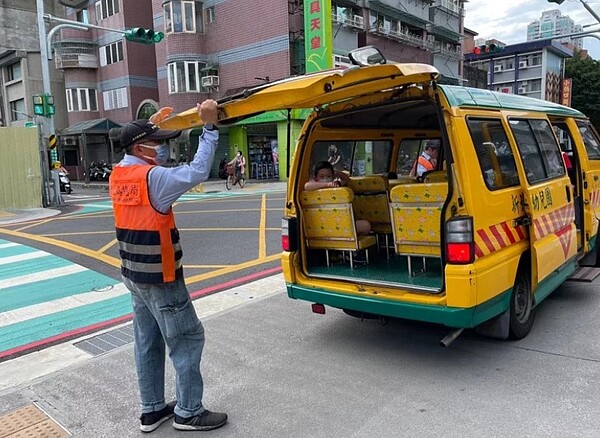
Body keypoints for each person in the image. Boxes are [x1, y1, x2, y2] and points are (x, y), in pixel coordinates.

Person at [109, 100, 227, 433]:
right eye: (158, 141)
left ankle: (152, 410)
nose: (162, 147)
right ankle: (189, 412)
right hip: (161, 278)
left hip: (134, 276)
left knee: (147, 341)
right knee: (187, 338)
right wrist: (209, 127)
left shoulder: (120, 174)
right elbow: (198, 171)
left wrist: (150, 122)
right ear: (140, 147)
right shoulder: (154, 177)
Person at [304, 160, 371, 236]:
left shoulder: (337, 185)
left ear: (333, 176)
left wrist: (335, 172)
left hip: (342, 224)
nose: (325, 178)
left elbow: (346, 179)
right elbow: (307, 186)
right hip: (325, 226)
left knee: (366, 225)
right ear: (315, 178)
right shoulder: (314, 188)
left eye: (328, 176)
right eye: (322, 176)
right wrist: (327, 184)